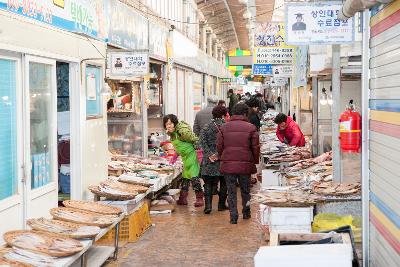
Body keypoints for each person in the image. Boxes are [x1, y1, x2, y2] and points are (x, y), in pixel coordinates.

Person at [217, 103, 260, 224]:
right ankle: (246, 212)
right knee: (245, 190)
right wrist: (254, 162)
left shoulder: (223, 127)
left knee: (231, 191)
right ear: (245, 113)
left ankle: (233, 217)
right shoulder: (251, 128)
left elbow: (219, 146)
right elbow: (255, 148)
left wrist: (223, 157)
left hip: (228, 164)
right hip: (245, 164)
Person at [163, 114, 204, 207]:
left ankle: (199, 199)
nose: (169, 126)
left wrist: (200, 153)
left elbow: (195, 140)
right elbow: (179, 148)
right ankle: (183, 198)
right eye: (166, 124)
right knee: (185, 178)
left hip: (192, 156)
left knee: (194, 178)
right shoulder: (172, 135)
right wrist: (174, 158)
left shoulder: (182, 132)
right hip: (185, 159)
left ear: (175, 123)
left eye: (170, 123)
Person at [199, 105, 229, 214]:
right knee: (224, 182)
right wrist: (218, 154)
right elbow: (228, 143)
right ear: (223, 115)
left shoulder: (206, 127)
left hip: (209, 160)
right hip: (223, 159)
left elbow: (201, 142)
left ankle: (208, 206)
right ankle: (221, 205)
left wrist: (210, 154)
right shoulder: (227, 127)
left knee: (208, 183)